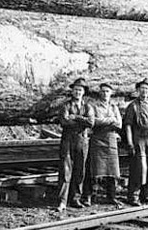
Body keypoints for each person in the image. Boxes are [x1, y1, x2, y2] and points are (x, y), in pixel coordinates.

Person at [56, 77, 95, 212]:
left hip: (82, 141)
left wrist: (76, 117)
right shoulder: (66, 106)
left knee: (80, 171)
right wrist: (81, 121)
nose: (78, 92)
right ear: (72, 91)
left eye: (80, 90)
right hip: (68, 140)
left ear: (84, 92)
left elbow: (91, 122)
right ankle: (62, 201)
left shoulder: (88, 106)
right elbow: (64, 121)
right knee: (65, 170)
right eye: (76, 90)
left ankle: (75, 199)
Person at [83, 82, 122, 207]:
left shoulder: (114, 107)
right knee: (93, 170)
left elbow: (119, 124)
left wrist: (107, 121)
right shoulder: (93, 106)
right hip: (97, 139)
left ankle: (111, 196)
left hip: (111, 140)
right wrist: (110, 120)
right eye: (103, 91)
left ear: (111, 94)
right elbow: (93, 122)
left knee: (112, 170)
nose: (105, 94)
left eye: (107, 91)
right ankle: (88, 196)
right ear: (99, 93)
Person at [123, 78, 148, 206]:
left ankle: (147, 195)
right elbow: (127, 126)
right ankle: (133, 196)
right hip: (138, 139)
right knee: (139, 168)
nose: (144, 91)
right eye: (142, 88)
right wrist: (130, 143)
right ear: (138, 90)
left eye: (146, 89)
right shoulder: (132, 106)